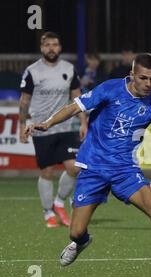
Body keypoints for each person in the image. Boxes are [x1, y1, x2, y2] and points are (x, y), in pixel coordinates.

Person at [25, 53, 151, 277]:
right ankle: (83, 242)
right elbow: (74, 107)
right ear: (132, 76)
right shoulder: (109, 89)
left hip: (125, 170)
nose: (148, 84)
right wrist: (47, 123)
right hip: (94, 167)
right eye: (143, 78)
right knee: (75, 232)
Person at [19, 31, 88, 228]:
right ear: (42, 48)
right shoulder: (32, 71)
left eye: (55, 44)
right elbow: (24, 100)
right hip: (42, 128)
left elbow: (77, 96)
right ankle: (48, 211)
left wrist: (83, 121)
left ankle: (59, 202)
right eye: (47, 45)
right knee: (47, 171)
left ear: (60, 47)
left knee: (74, 167)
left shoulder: (68, 68)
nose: (51, 48)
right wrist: (22, 125)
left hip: (66, 126)